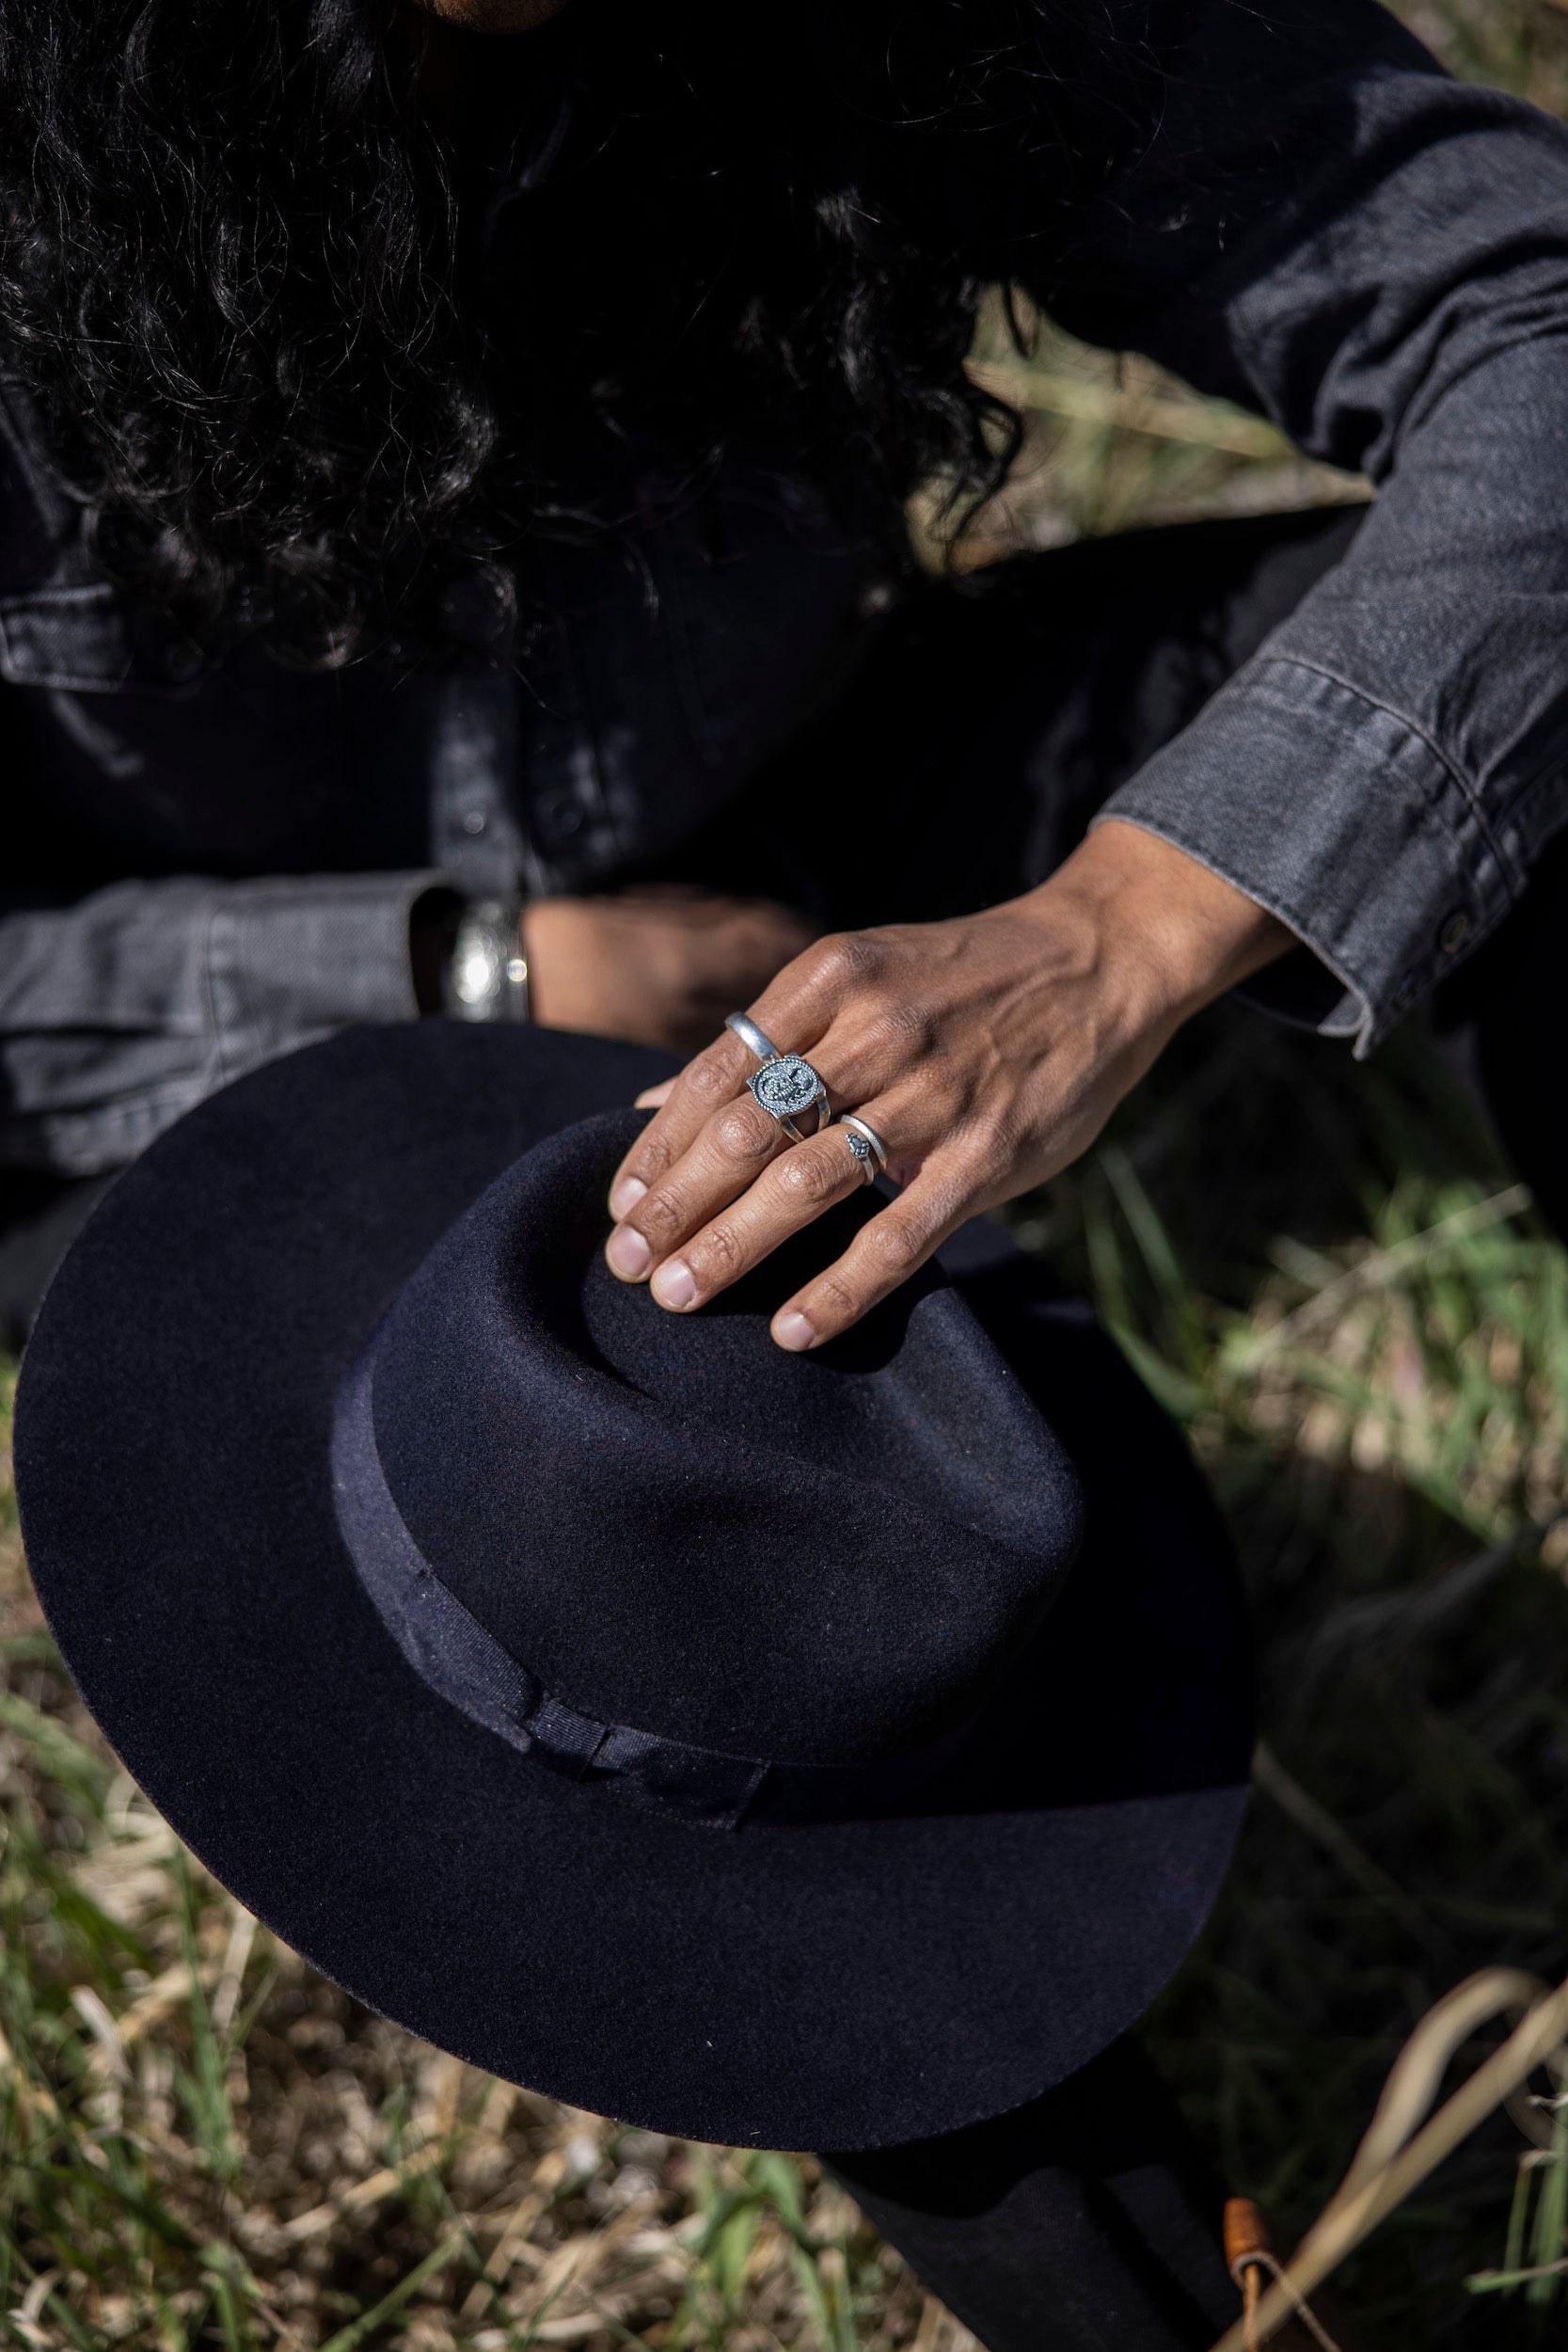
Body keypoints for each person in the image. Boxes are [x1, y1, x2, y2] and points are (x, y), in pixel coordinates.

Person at [2, 0, 1565, 2333]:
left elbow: (1532, 313)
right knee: (653, 1518)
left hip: (834, 836)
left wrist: (1128, 925)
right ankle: (1176, 2280)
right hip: (175, 1032)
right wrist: (470, 968)